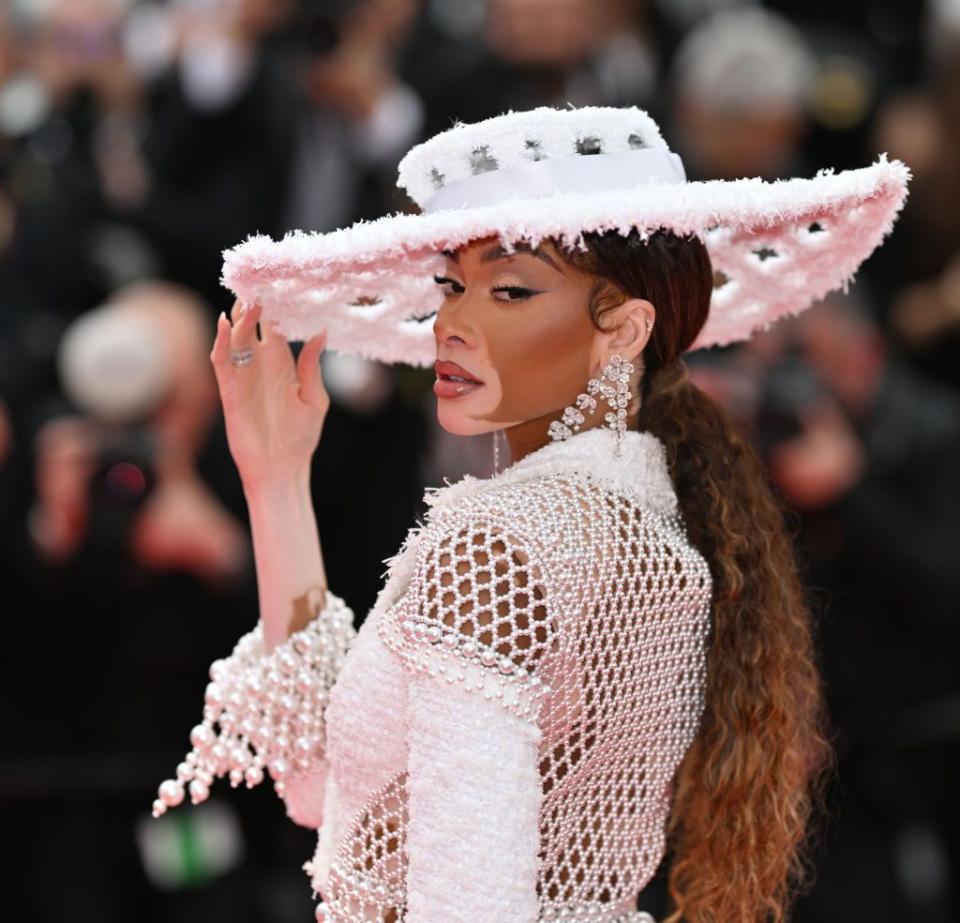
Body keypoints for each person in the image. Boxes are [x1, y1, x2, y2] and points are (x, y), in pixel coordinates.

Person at [151, 106, 910, 921]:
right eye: (450, 284)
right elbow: (336, 793)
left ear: (623, 328)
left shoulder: (504, 545)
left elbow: (461, 901)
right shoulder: (653, 518)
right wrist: (276, 480)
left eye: (510, 289)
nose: (452, 323)